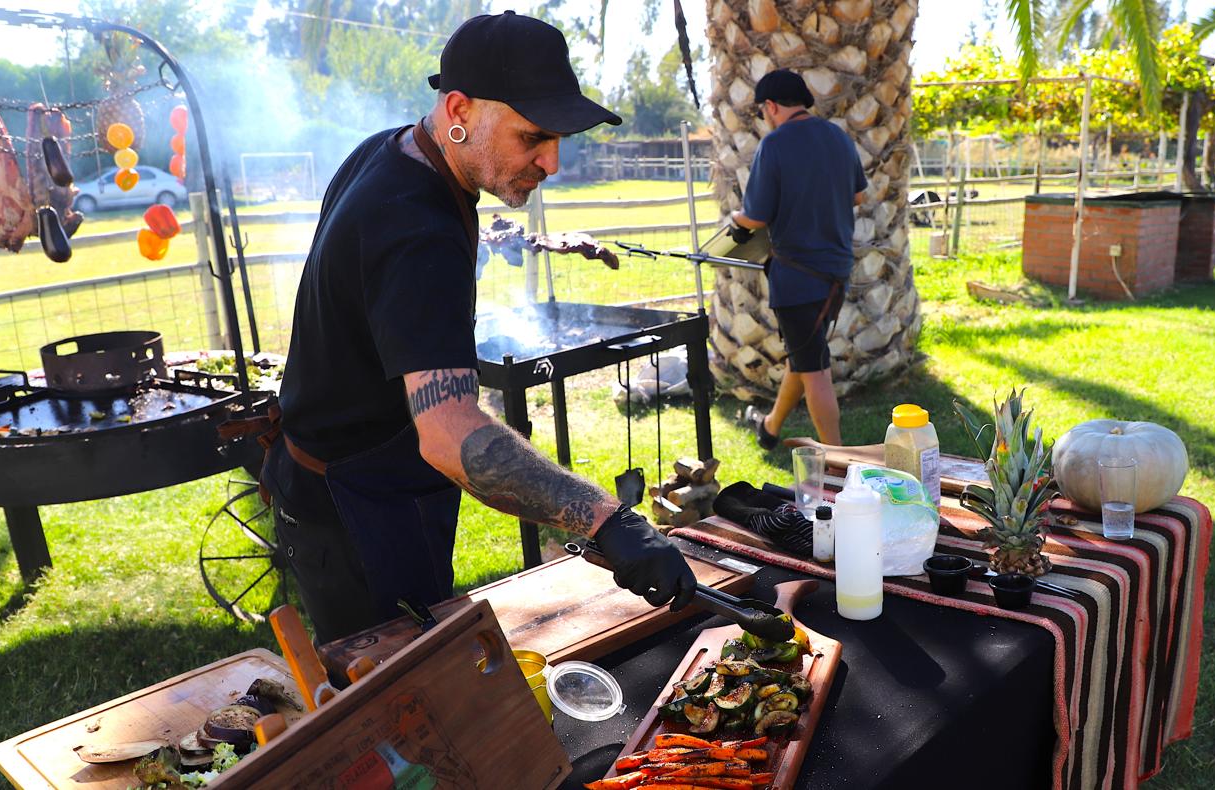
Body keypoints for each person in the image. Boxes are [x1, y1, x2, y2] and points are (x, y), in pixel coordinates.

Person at [259, 12, 696, 644]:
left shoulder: (394, 150)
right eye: (533, 137)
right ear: (459, 108)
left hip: (338, 480)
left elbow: (374, 276)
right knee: (394, 706)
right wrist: (606, 521)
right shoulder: (418, 229)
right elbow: (450, 435)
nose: (552, 163)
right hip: (355, 508)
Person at [729, 69, 867, 449]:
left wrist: (734, 221)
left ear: (771, 106)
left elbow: (755, 217)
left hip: (796, 279)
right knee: (805, 357)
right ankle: (771, 428)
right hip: (837, 274)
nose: (764, 119)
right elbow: (858, 196)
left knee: (815, 369)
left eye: (762, 112)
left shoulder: (774, 145)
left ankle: (839, 463)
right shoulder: (838, 138)